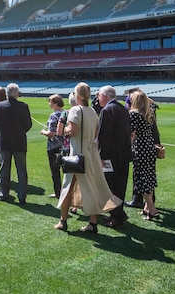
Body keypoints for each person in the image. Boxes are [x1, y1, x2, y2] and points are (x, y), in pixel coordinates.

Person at [55, 82, 123, 233]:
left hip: (77, 154)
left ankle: (63, 221)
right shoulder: (92, 111)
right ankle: (93, 223)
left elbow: (72, 131)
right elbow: (95, 133)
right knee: (92, 187)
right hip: (91, 153)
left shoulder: (75, 110)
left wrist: (65, 130)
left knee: (67, 188)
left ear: (77, 95)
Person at [96, 85, 132, 227]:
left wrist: (101, 156)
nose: (98, 98)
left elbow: (104, 137)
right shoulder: (122, 108)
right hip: (124, 154)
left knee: (112, 186)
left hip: (111, 156)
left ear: (105, 96)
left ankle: (117, 215)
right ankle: (118, 213)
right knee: (120, 185)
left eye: (99, 95)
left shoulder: (107, 110)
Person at [0, 83, 33, 204]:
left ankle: (3, 193)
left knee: (4, 168)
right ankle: (22, 196)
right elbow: (28, 124)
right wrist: (20, 132)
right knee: (21, 169)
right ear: (17, 94)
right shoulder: (23, 106)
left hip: (4, 140)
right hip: (19, 141)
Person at [129, 90, 159, 220]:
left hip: (140, 148)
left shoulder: (133, 115)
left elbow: (131, 134)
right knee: (150, 176)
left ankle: (152, 208)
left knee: (141, 178)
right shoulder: (149, 113)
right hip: (149, 147)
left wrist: (128, 147)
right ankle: (147, 207)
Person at [41, 94, 66, 198]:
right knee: (66, 171)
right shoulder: (66, 113)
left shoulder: (54, 116)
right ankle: (66, 192)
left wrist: (43, 132)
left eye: (50, 102)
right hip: (65, 145)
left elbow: (51, 133)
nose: (49, 104)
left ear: (55, 103)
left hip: (54, 146)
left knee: (55, 171)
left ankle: (58, 193)